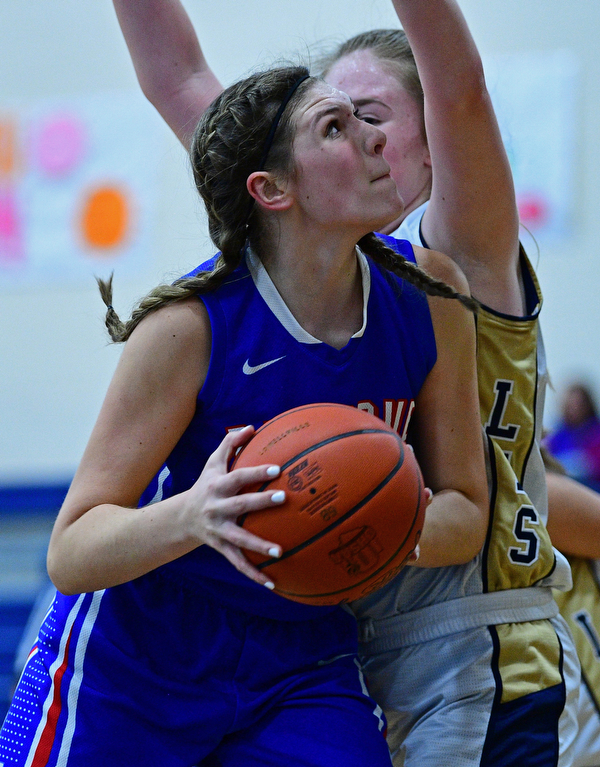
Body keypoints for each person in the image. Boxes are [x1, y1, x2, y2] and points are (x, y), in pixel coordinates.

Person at [111, 0, 581, 764]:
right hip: (346, 653)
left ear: (435, 153)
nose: (353, 134)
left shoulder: (455, 254)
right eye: (330, 119)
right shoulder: (302, 247)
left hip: (473, 644)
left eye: (370, 115)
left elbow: (460, 88)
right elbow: (180, 78)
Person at [0, 66, 489, 766]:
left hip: (301, 652)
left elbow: (467, 509)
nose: (376, 139)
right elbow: (71, 551)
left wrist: (366, 524)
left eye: (365, 117)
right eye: (336, 127)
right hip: (143, 648)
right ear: (273, 189)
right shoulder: (189, 327)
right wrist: (192, 513)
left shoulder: (429, 294)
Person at [546, 382, 600, 493]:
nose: (573, 410)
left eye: (577, 405)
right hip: (562, 487)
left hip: (591, 489)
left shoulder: (596, 432)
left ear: (587, 406)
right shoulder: (559, 432)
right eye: (570, 405)